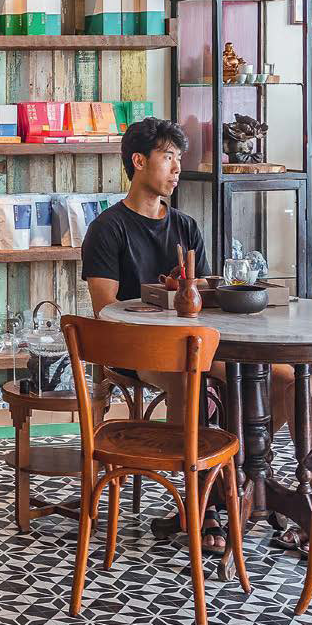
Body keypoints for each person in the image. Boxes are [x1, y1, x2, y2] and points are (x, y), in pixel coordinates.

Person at [82, 117, 226, 546]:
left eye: (179, 158)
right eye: (168, 157)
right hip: (135, 351)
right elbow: (106, 310)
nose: (177, 168)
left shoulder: (186, 227)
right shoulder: (107, 229)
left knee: (268, 378)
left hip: (193, 345)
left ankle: (248, 484)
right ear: (139, 161)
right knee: (191, 381)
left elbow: (204, 296)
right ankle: (200, 504)